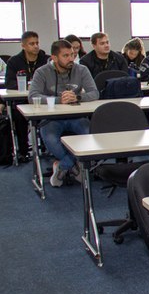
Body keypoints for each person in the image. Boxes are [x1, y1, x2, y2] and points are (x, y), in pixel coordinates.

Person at [28, 40, 98, 187]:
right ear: (54, 58)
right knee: (51, 139)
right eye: (65, 56)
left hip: (77, 117)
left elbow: (94, 93)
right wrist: (59, 100)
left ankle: (62, 167)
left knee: (90, 135)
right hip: (52, 119)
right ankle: (75, 167)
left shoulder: (81, 70)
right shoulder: (42, 72)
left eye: (72, 55)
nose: (71, 59)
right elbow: (33, 96)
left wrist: (77, 97)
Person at [4, 31, 49, 162]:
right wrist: (27, 85)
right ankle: (23, 151)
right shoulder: (14, 61)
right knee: (19, 116)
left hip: (42, 99)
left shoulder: (46, 59)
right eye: (31, 44)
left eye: (37, 43)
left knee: (49, 115)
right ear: (23, 46)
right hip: (21, 100)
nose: (35, 46)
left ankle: (47, 148)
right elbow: (9, 83)